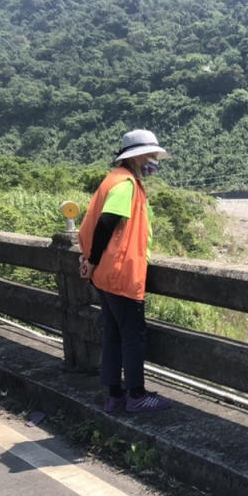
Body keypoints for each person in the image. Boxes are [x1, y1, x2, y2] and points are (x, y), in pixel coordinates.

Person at [78, 129, 173, 413]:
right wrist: (93, 260)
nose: (154, 160)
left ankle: (115, 395)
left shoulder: (114, 179)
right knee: (133, 336)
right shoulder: (126, 184)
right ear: (138, 156)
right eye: (152, 155)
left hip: (107, 274)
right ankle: (137, 395)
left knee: (113, 334)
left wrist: (92, 262)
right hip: (121, 273)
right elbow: (107, 224)